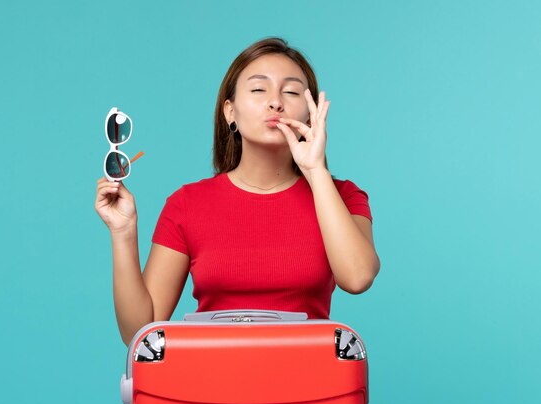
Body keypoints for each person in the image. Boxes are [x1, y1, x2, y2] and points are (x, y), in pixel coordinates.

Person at [95, 38, 380, 346]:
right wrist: (123, 232)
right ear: (230, 112)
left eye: (292, 91)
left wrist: (315, 171)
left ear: (310, 113)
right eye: (259, 90)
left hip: (309, 385)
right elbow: (141, 331)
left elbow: (357, 277)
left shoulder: (342, 195)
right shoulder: (188, 204)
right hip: (209, 385)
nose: (276, 102)